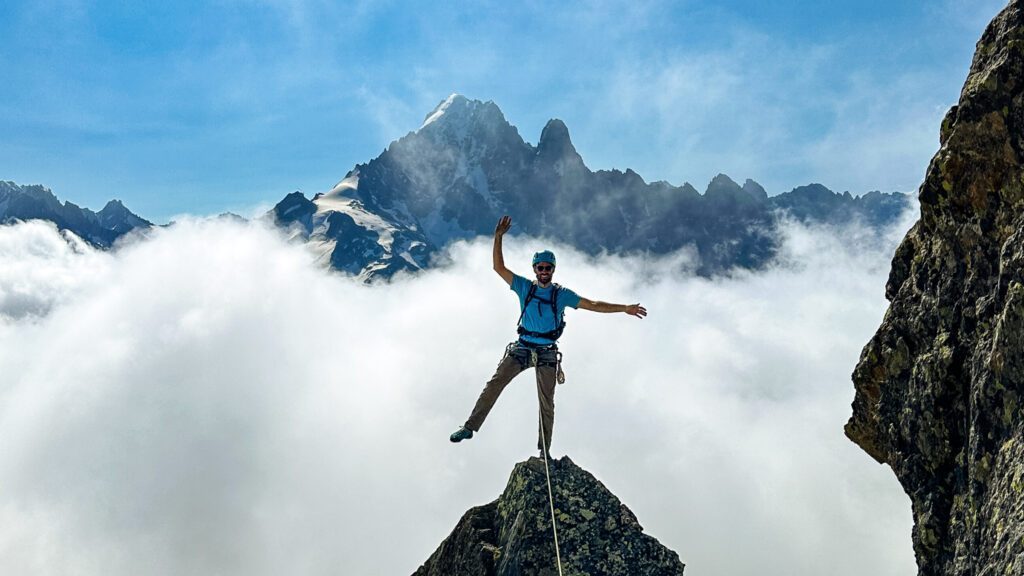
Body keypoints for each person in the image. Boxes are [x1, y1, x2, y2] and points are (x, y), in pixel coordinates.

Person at [450, 215, 647, 458]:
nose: (544, 271)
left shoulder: (561, 294)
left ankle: (545, 451)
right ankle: (470, 427)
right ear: (535, 269)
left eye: (548, 268)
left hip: (546, 352)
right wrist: (498, 238)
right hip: (522, 348)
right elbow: (498, 268)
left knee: (547, 403)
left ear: (553, 270)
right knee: (495, 384)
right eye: (540, 267)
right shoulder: (525, 287)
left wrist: (624, 307)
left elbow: (593, 304)